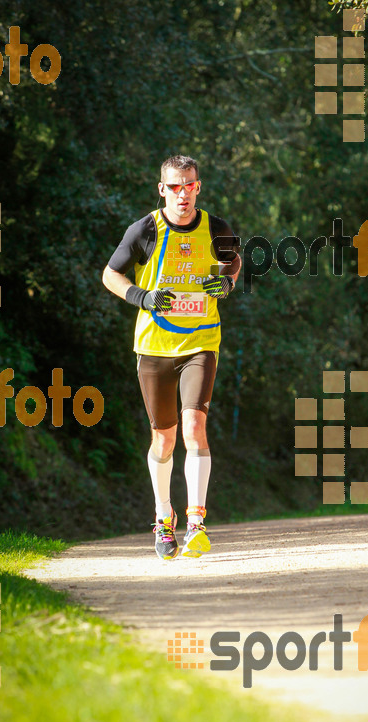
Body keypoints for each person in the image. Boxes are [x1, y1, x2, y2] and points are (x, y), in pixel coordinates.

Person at [102, 155, 240, 560]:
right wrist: (142, 297)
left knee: (194, 426)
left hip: (201, 342)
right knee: (163, 437)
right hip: (154, 347)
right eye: (175, 186)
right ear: (162, 188)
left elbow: (235, 261)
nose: (183, 194)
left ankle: (196, 522)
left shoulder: (216, 227)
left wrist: (227, 283)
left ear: (199, 186)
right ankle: (164, 518)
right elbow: (111, 274)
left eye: (190, 185)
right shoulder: (145, 229)